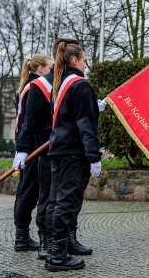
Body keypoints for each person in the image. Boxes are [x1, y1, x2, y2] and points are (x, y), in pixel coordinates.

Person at [14, 38, 96, 260]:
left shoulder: (67, 82)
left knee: (71, 198)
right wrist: (22, 148)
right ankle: (47, 241)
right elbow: (28, 122)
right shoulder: (40, 85)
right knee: (49, 198)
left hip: (64, 147)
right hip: (46, 150)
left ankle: (67, 238)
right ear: (70, 58)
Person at [44, 42, 102, 272]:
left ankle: (60, 245)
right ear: (74, 60)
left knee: (58, 201)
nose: (86, 64)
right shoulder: (80, 85)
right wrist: (93, 155)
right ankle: (57, 256)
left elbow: (68, 116)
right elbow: (85, 125)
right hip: (72, 153)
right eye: (84, 59)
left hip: (59, 150)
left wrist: (94, 107)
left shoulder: (61, 84)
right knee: (66, 203)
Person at [12, 54, 53, 252]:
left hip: (35, 146)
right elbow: (28, 122)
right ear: (40, 69)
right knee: (27, 192)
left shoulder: (34, 85)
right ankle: (22, 237)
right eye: (50, 67)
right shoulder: (36, 87)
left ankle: (23, 236)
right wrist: (22, 149)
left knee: (30, 192)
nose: (52, 71)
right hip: (32, 148)